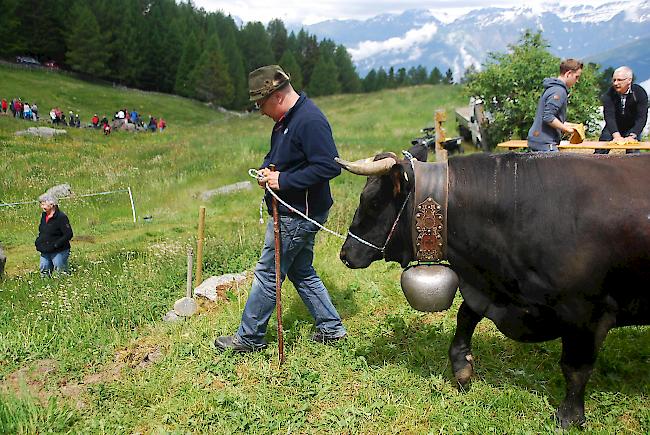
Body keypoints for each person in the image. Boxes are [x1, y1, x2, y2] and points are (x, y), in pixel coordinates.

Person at [214, 65, 347, 352]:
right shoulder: (286, 120)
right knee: (301, 270)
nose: (260, 110)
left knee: (268, 273)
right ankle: (331, 328)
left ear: (275, 96)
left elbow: (328, 166)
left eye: (260, 104)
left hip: (297, 214)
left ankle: (249, 339)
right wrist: (267, 170)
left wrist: (282, 180)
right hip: (294, 210)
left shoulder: (309, 120)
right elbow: (279, 156)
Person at [527, 59, 583, 152]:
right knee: (556, 167)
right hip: (545, 142)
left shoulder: (552, 87)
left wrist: (572, 126)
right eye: (576, 77)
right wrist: (567, 130)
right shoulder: (558, 91)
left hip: (538, 139)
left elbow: (552, 117)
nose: (577, 81)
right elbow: (548, 117)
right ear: (568, 74)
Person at [595, 66, 648, 155]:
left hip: (632, 126)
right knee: (600, 150)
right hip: (613, 125)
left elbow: (642, 117)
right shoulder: (609, 94)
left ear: (629, 80)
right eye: (614, 80)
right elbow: (609, 116)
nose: (616, 83)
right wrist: (616, 136)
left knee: (633, 154)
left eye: (619, 80)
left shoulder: (639, 93)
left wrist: (632, 135)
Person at [35, 194, 73, 276]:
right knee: (44, 268)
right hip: (45, 249)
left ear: (52, 204)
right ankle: (45, 286)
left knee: (60, 270)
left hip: (59, 250)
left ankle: (64, 285)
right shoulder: (44, 215)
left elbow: (68, 234)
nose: (42, 206)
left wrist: (56, 244)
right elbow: (42, 231)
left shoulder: (61, 217)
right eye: (41, 204)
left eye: (43, 204)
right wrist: (38, 242)